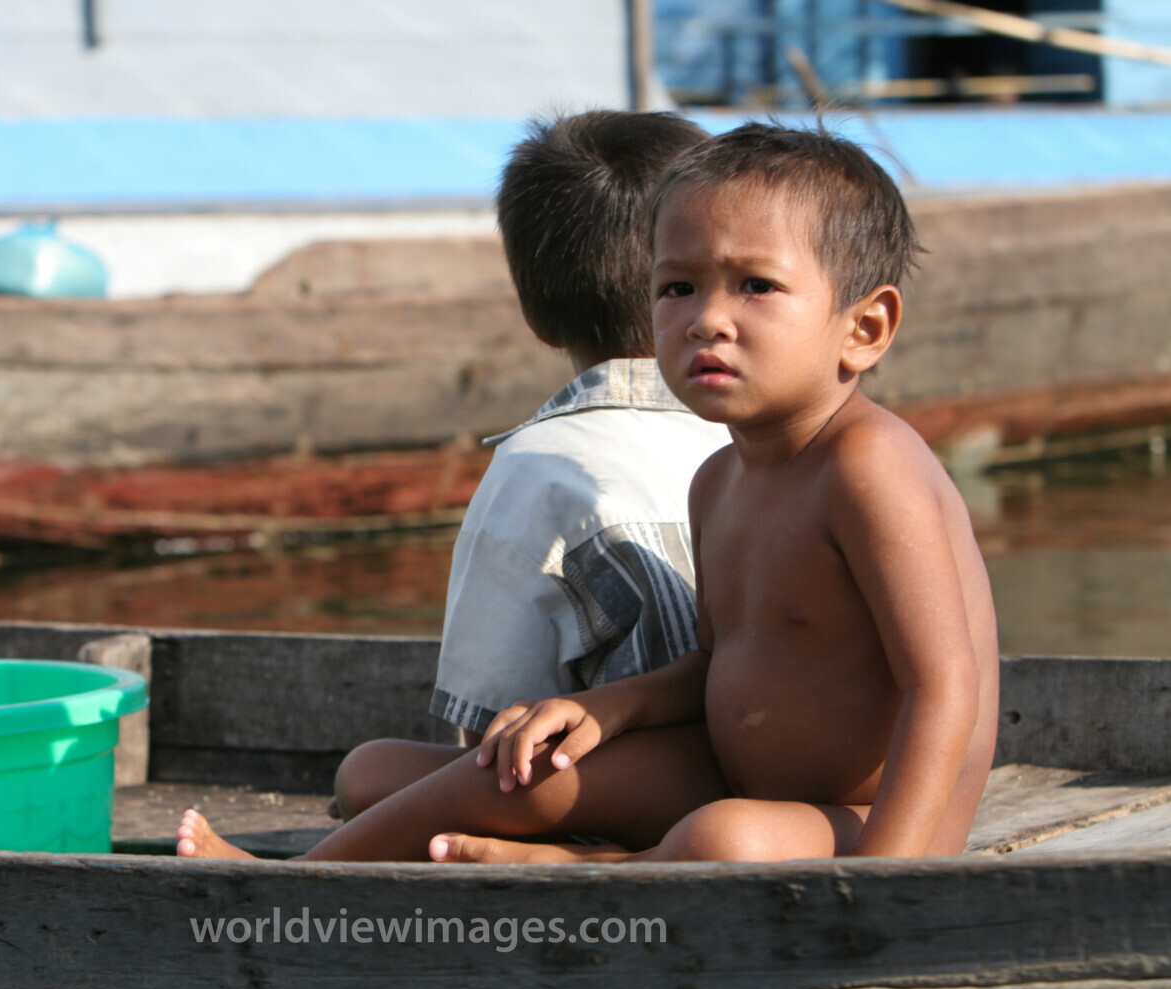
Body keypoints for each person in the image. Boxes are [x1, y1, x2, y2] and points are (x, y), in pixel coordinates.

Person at [175, 122, 998, 864]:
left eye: (755, 285)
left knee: (723, 840)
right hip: (723, 772)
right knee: (471, 774)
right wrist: (610, 709)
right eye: (678, 287)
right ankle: (310, 880)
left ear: (865, 329)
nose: (707, 319)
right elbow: (717, 659)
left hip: (863, 818)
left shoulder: (869, 468)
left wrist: (890, 877)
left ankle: (580, 871)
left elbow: (946, 686)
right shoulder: (720, 477)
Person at [325, 109, 728, 822]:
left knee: (368, 772)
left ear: (537, 317)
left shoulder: (536, 465)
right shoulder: (759, 431)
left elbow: (489, 739)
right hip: (773, 775)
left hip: (640, 801)